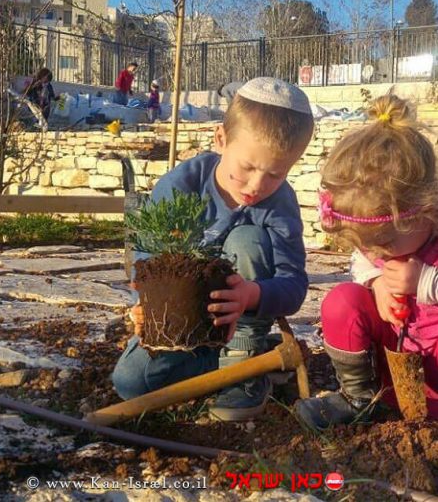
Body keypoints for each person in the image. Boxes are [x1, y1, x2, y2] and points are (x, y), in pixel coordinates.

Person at [112, 77, 314, 421]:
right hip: (182, 326)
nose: (256, 186)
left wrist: (251, 295)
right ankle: (213, 369)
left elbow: (293, 285)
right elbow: (147, 257)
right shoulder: (182, 184)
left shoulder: (280, 204)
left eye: (275, 175)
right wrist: (143, 304)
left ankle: (245, 358)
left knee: (247, 240)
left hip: (241, 326)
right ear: (221, 139)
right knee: (131, 383)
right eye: (248, 167)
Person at [295, 94, 438, 430]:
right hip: (396, 370)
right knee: (343, 300)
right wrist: (375, 282)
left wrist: (425, 282)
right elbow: (362, 261)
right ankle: (360, 396)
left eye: (385, 242)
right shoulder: (378, 249)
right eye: (365, 245)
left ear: (428, 208)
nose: (378, 253)